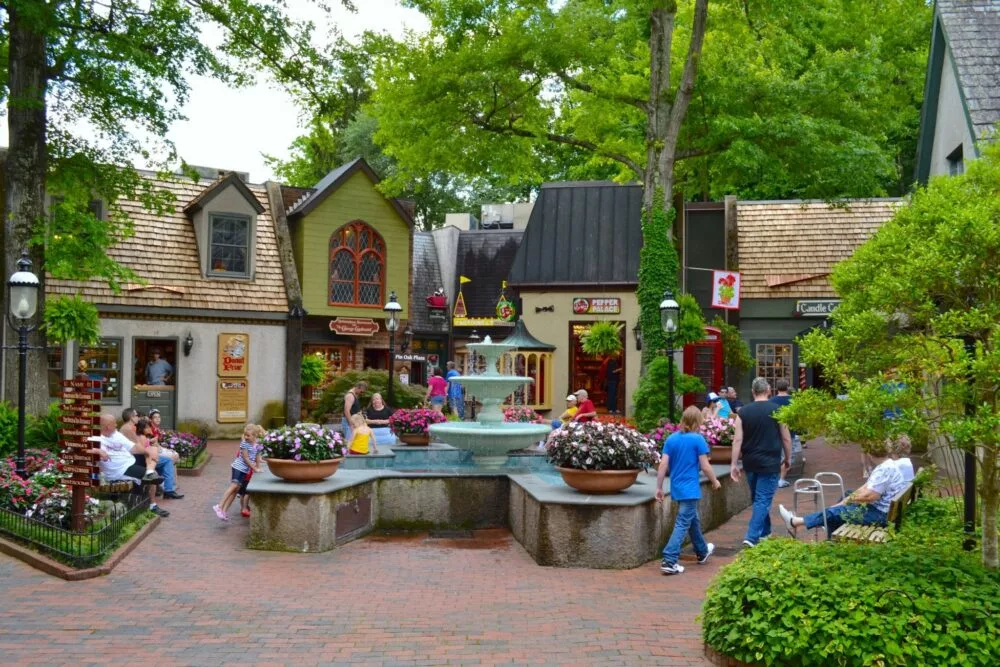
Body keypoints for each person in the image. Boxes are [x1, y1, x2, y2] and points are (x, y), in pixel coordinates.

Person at [780, 439, 906, 537]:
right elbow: (866, 487)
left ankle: (795, 522)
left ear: (869, 453)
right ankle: (826, 522)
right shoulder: (886, 465)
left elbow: (871, 496)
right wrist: (845, 501)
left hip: (881, 515)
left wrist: (845, 503)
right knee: (846, 496)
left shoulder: (884, 469)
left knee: (835, 513)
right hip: (885, 510)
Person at [655, 406, 721, 575]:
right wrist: (714, 481)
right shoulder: (698, 439)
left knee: (692, 519)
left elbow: (663, 465)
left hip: (677, 486)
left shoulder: (671, 439)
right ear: (697, 421)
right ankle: (669, 559)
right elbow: (705, 466)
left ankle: (702, 551)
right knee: (684, 521)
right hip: (690, 487)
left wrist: (659, 487)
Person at [730, 377, 791, 548]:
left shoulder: (743, 412)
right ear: (769, 390)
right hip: (770, 461)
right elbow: (786, 438)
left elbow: (737, 440)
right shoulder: (777, 410)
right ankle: (752, 536)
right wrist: (787, 459)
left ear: (753, 392)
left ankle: (765, 532)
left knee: (758, 498)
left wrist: (733, 464)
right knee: (762, 499)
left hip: (750, 461)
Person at [88, 414, 169, 517]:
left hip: (130, 462)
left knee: (151, 452)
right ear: (107, 426)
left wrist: (147, 452)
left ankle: (149, 472)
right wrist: (97, 450)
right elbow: (80, 450)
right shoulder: (95, 438)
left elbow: (133, 448)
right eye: (114, 424)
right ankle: (152, 505)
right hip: (120, 470)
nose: (117, 425)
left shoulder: (115, 434)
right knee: (153, 475)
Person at [120, 407, 183, 499]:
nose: (139, 417)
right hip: (136, 458)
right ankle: (168, 490)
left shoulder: (129, 427)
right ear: (131, 417)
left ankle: (164, 487)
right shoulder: (129, 429)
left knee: (162, 460)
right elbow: (139, 446)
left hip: (138, 456)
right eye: (137, 415)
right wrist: (150, 447)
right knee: (167, 461)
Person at [213, 424, 265, 521]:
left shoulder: (258, 445)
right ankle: (219, 506)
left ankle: (223, 511)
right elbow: (246, 459)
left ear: (255, 436)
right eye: (245, 435)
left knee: (235, 491)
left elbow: (258, 457)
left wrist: (258, 467)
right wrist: (255, 468)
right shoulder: (244, 444)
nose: (246, 437)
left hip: (244, 470)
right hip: (238, 468)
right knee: (233, 486)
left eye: (248, 435)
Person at [769, 379, 799, 489]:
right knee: (787, 455)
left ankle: (775, 478)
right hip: (789, 431)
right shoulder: (793, 401)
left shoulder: (771, 401)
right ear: (787, 387)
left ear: (776, 388)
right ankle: (781, 479)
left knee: (776, 455)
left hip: (774, 432)